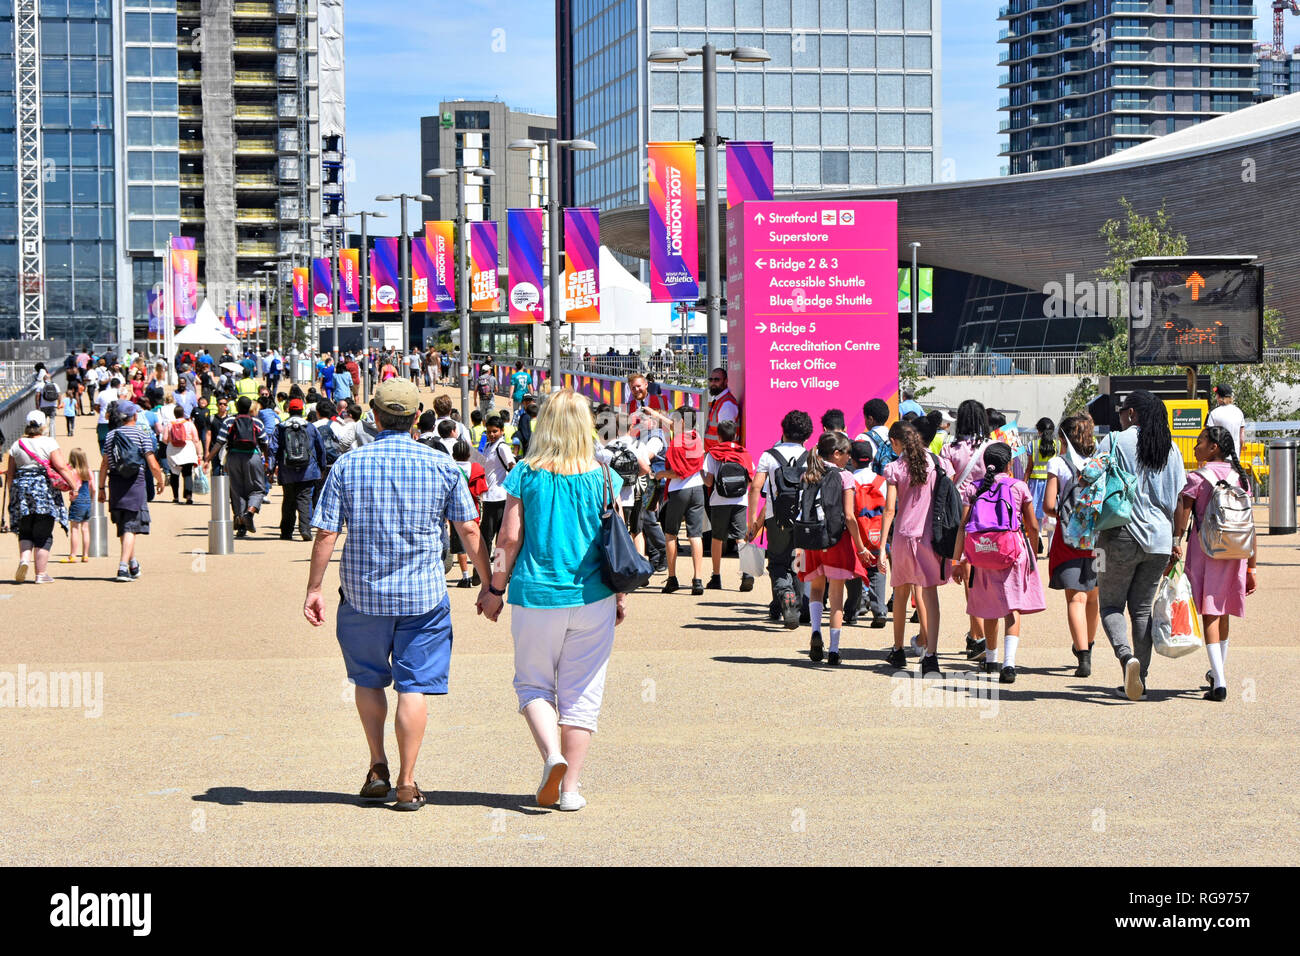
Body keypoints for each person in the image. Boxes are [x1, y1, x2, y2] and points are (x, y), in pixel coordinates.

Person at [305, 379, 490, 812]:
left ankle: (377, 765)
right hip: (423, 597)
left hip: (362, 595)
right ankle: (407, 782)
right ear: (414, 418)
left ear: (374, 416)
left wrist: (314, 588)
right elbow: (468, 529)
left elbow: (326, 532)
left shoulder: (349, 465)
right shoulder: (441, 464)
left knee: (368, 680)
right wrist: (488, 584)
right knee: (414, 687)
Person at [477, 389, 628, 812]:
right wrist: (618, 594)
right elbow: (612, 541)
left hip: (536, 595)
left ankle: (552, 757)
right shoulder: (604, 476)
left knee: (533, 685)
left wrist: (494, 588)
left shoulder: (525, 473)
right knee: (582, 693)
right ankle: (571, 790)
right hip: (593, 595)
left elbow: (508, 537)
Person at [1097, 389, 1185, 702]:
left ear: (1132, 413)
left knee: (1109, 604)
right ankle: (1141, 680)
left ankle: (1126, 658)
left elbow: (1091, 481)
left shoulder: (1115, 442)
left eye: (1122, 410)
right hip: (1160, 540)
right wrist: (1176, 540)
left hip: (1119, 534)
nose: (1119, 416)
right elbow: (1178, 501)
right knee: (1142, 610)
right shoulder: (1172, 450)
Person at [1170, 426, 1257, 702]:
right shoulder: (1240, 478)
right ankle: (1216, 669)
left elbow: (1183, 516)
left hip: (1207, 550)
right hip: (1236, 551)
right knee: (1224, 610)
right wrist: (1253, 565)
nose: (1195, 448)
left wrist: (1176, 542)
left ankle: (1219, 682)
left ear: (1214, 448)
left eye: (1200, 443)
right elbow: (1250, 524)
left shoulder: (1197, 478)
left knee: (1209, 611)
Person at [951, 443, 1045, 684]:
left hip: (982, 553)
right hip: (1011, 552)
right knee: (1011, 609)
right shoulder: (1018, 487)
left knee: (989, 607)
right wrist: (1031, 553)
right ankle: (1009, 664)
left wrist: (957, 560)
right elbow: (1033, 526)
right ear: (1009, 464)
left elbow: (962, 526)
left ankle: (991, 660)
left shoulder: (973, 488)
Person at [877, 421, 952, 675]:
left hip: (903, 535)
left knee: (900, 593)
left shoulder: (895, 468)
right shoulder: (938, 463)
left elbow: (889, 510)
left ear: (897, 443)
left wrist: (880, 547)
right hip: (931, 536)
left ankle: (897, 650)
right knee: (930, 595)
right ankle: (931, 654)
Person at [795, 431, 871, 666]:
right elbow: (849, 516)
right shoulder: (845, 476)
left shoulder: (808, 473)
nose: (849, 457)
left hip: (812, 539)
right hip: (837, 540)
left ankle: (815, 631)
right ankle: (835, 650)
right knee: (836, 597)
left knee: (816, 589)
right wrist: (860, 547)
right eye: (847, 453)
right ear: (837, 453)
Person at [1043, 416, 1100, 678]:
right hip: (1099, 539)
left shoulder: (1058, 463)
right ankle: (1088, 643)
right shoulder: (1100, 461)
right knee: (1094, 595)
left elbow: (1048, 506)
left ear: (1064, 438)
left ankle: (1083, 656)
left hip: (1069, 540)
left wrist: (1069, 516)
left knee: (1075, 597)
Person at [746, 409, 814, 627]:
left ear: (783, 430)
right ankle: (800, 605)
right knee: (799, 562)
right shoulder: (812, 456)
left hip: (776, 519)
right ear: (807, 434)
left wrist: (752, 521)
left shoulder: (769, 455)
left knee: (777, 562)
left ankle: (785, 593)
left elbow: (756, 487)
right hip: (805, 521)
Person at [941, 399, 993, 660]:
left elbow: (945, 482)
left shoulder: (951, 449)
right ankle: (979, 634)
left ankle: (978, 634)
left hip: (962, 516)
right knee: (987, 576)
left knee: (969, 577)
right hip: (990, 516)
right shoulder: (993, 447)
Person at [5, 411, 81, 584]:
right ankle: (41, 574)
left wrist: (13, 495)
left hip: (21, 491)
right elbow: (61, 467)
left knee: (25, 530)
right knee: (43, 532)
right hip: (43, 492)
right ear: (43, 425)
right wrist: (74, 486)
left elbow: (10, 474)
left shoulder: (17, 444)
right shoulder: (49, 442)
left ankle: (24, 560)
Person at [98, 401, 166, 583]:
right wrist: (160, 480)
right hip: (135, 482)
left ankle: (133, 563)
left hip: (116, 482)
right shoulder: (141, 434)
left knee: (124, 525)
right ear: (134, 416)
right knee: (131, 526)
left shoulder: (111, 435)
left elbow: (104, 463)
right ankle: (122, 567)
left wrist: (101, 488)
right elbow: (151, 461)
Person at [206, 396, 272, 538]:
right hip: (252, 457)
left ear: (236, 407)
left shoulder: (229, 421)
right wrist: (267, 461)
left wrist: (208, 459)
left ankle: (241, 524)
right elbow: (265, 443)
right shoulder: (257, 422)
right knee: (257, 489)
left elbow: (219, 442)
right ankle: (249, 513)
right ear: (250, 408)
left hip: (233, 457)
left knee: (237, 491)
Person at [700, 419, 754, 591]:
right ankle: (746, 572)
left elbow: (709, 483)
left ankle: (716, 577)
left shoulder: (713, 453)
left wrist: (701, 471)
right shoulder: (743, 453)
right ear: (735, 435)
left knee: (717, 538)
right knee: (740, 537)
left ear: (718, 436)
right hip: (740, 500)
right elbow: (751, 478)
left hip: (719, 501)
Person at [656, 417, 707, 595]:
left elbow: (677, 472)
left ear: (683, 422)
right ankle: (698, 579)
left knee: (670, 533)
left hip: (679, 490)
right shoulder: (696, 438)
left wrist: (661, 473)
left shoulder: (676, 442)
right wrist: (653, 413)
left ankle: (672, 578)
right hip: (697, 489)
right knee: (695, 535)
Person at [275, 398, 327, 541]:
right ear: (302, 411)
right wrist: (322, 466)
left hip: (287, 471)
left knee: (288, 501)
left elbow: (274, 448)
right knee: (305, 500)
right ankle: (305, 529)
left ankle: (286, 532)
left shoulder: (281, 427)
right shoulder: (310, 427)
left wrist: (271, 468)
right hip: (308, 470)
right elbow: (320, 448)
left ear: (289, 410)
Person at [448, 438, 487, 588]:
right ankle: (478, 570)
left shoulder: (451, 468)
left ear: (453, 454)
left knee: (460, 544)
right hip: (475, 508)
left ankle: (465, 577)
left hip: (456, 509)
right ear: (469, 454)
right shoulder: (476, 468)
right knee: (475, 539)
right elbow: (482, 489)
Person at [480, 414, 516, 553]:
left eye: (495, 431)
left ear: (501, 431)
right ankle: (486, 573)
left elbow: (512, 467)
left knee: (498, 539)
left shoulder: (502, 447)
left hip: (499, 498)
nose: (491, 434)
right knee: (487, 537)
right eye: (489, 431)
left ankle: (499, 571)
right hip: (489, 497)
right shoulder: (489, 446)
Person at [163, 403, 203, 505]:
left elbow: (164, 439)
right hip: (187, 449)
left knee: (174, 473)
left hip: (173, 450)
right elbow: (196, 440)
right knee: (188, 473)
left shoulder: (169, 424)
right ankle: (188, 497)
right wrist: (199, 454)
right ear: (183, 413)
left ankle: (176, 497)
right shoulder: (189, 424)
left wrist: (171, 441)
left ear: (174, 414)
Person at [1027, 417, 1056, 554]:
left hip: (1035, 483)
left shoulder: (1032, 445)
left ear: (1038, 430)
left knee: (1036, 515)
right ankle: (1051, 546)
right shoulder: (1058, 445)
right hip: (1052, 483)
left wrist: (1024, 482)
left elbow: (1029, 468)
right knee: (1050, 515)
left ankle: (1038, 538)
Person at [60, 448, 93, 564]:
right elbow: (92, 487)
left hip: (77, 501)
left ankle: (73, 555)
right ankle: (85, 555)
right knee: (85, 529)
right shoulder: (88, 471)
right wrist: (91, 499)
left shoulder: (72, 472)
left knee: (74, 529)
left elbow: (72, 487)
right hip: (87, 500)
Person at [702, 367, 740, 450]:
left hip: (720, 456)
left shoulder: (727, 404)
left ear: (725, 381)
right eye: (711, 380)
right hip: (714, 454)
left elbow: (726, 439)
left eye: (717, 380)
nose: (713, 383)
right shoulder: (718, 400)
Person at [1206, 383, 1246, 454]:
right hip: (1235, 456)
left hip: (1219, 456)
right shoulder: (1239, 412)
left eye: (1216, 395)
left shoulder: (1214, 413)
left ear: (1219, 397)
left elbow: (1209, 435)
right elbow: (1242, 438)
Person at [95, 376, 121, 450]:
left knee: (102, 442)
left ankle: (105, 459)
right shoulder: (119, 393)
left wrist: (101, 412)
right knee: (115, 443)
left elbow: (96, 405)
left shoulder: (102, 393)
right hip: (116, 421)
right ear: (118, 385)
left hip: (103, 420)